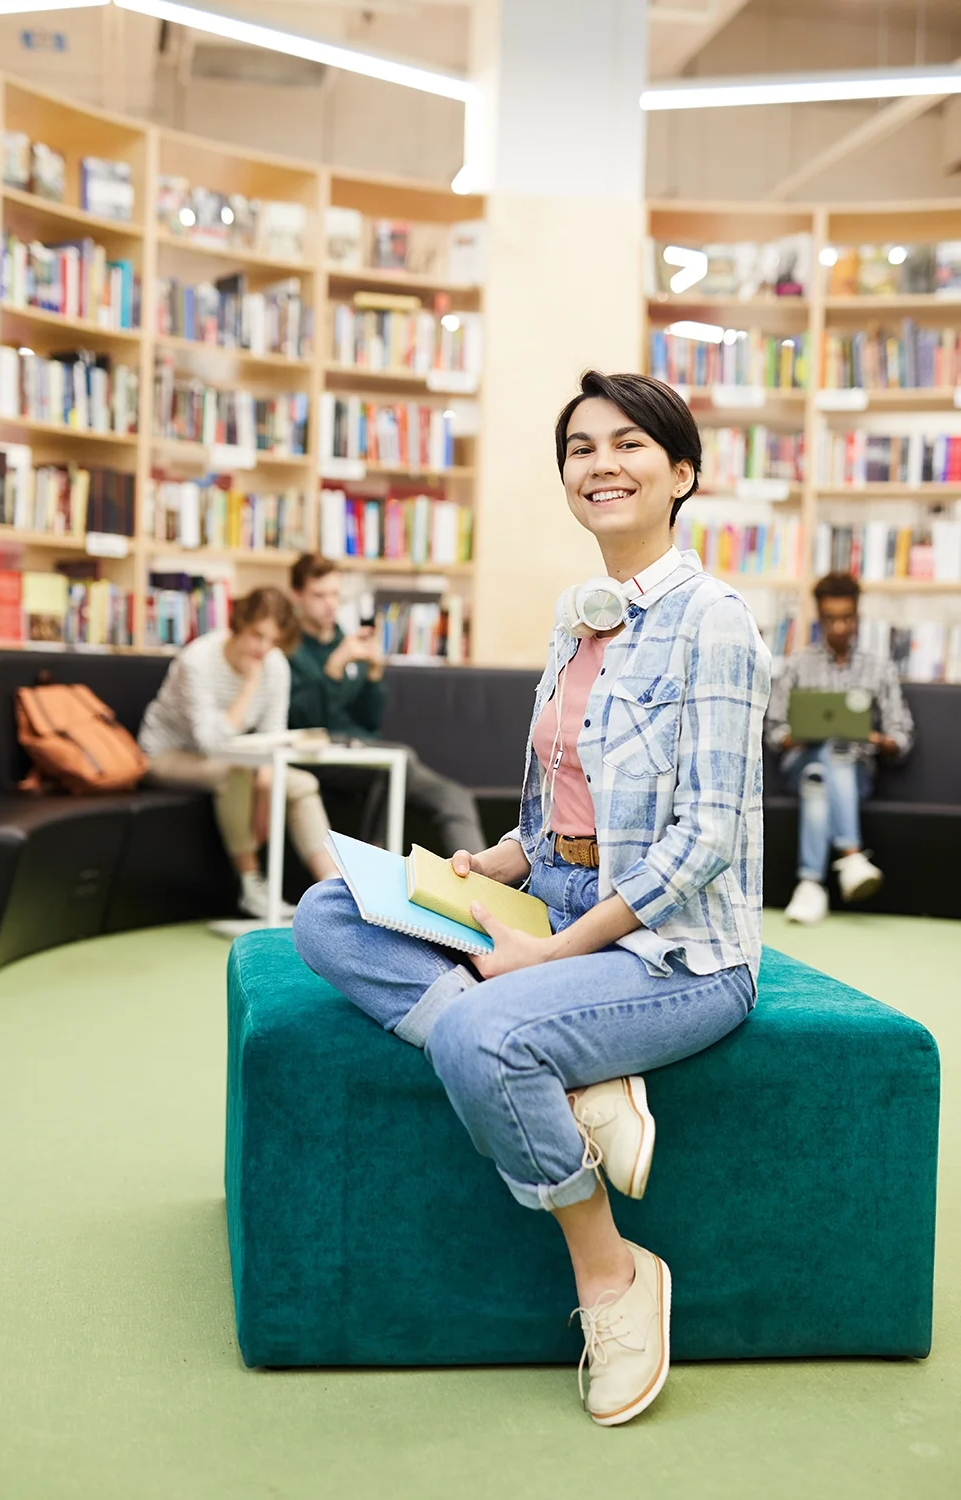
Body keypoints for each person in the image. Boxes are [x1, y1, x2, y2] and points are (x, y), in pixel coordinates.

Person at [293, 371, 771, 1426]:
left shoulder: (717, 623)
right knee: (329, 911)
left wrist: (552, 961)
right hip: (553, 902)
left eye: (630, 445)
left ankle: (610, 1273)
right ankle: (581, 1090)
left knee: (480, 1043)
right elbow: (554, 799)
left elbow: (705, 842)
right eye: (580, 448)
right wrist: (495, 867)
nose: (600, 464)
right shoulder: (577, 617)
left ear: (681, 472)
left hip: (669, 954)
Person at [139, 586, 337, 920]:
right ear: (238, 625)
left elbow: (273, 737)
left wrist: (264, 794)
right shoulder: (198, 661)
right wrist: (247, 687)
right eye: (256, 636)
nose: (263, 649)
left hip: (238, 758)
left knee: (302, 783)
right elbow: (210, 743)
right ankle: (250, 888)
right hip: (166, 755)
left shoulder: (275, 666)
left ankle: (334, 890)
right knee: (234, 772)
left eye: (271, 641)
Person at [286, 553, 486, 856]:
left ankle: (481, 888)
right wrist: (333, 670)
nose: (330, 603)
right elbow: (305, 723)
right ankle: (374, 854)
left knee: (454, 795)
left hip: (365, 751)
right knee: (399, 759)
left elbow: (370, 721)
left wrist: (375, 674)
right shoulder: (290, 649)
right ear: (297, 596)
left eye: (335, 594)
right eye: (319, 595)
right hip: (320, 753)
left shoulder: (346, 639)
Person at [766, 572, 914, 926]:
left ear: (858, 617)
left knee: (823, 773)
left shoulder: (878, 669)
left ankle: (810, 885)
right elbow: (774, 731)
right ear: (820, 619)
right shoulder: (798, 666)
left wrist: (872, 736)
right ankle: (850, 856)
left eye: (847, 618)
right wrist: (803, 734)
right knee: (824, 752)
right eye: (831, 619)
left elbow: (902, 735)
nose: (839, 627)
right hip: (800, 762)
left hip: (856, 772)